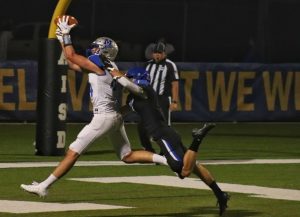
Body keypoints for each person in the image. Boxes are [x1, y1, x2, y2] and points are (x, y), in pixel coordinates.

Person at [20, 15, 167, 197]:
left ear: (104, 51)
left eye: (98, 47)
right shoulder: (108, 66)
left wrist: (66, 34)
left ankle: (44, 186)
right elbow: (71, 62)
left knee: (73, 152)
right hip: (115, 117)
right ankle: (166, 159)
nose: (94, 48)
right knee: (127, 156)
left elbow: (71, 55)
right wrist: (60, 39)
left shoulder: (100, 63)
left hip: (103, 117)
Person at [121, 67, 230, 216]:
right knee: (195, 167)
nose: (126, 81)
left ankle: (197, 138)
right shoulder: (132, 98)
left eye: (129, 78)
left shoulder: (146, 90)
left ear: (137, 79)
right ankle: (220, 194)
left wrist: (116, 75)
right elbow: (125, 109)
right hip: (168, 133)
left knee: (183, 171)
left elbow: (135, 87)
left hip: (163, 135)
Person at [138, 40, 180, 153]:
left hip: (162, 99)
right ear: (152, 54)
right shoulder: (147, 65)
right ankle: (148, 149)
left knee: (163, 126)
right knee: (142, 126)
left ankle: (166, 151)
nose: (157, 55)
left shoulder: (170, 65)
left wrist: (175, 101)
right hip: (147, 99)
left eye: (160, 53)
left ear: (164, 53)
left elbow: (175, 83)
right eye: (155, 52)